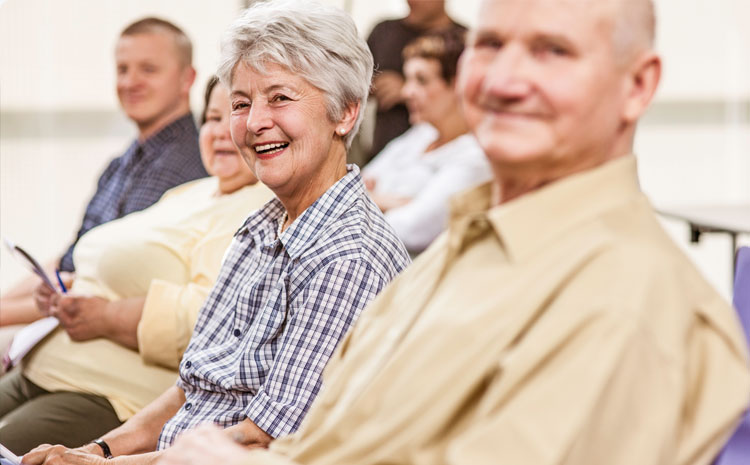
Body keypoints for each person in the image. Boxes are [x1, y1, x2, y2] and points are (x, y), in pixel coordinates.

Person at [147, 0, 747, 464]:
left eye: (553, 51)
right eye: (490, 45)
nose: (505, 80)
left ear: (637, 86)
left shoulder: (629, 298)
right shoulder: (464, 248)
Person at [22, 1, 409, 464]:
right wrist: (96, 450)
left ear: (345, 113)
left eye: (280, 98)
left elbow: (264, 439)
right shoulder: (260, 227)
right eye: (241, 104)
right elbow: (193, 386)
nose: (254, 122)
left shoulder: (348, 256)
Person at [0, 77, 274, 454]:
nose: (222, 131)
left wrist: (108, 317)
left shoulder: (258, 209)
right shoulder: (190, 193)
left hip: (107, 394)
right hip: (41, 368)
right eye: (212, 117)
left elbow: (214, 320)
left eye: (236, 115)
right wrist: (65, 293)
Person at [0, 17, 207, 330]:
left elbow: (100, 285)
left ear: (186, 79)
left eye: (148, 69)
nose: (129, 82)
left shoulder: (184, 166)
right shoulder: (123, 161)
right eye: (122, 69)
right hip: (54, 314)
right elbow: (68, 259)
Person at [363, 31, 491, 254]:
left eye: (421, 80)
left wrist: (369, 198)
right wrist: (389, 202)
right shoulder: (421, 135)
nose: (407, 91)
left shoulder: (475, 157)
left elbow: (411, 229)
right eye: (408, 79)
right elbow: (354, 182)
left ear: (458, 85)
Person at [366, 0, 465, 162]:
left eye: (422, 80)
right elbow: (351, 87)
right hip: (384, 152)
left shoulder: (463, 41)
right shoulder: (384, 32)